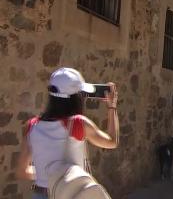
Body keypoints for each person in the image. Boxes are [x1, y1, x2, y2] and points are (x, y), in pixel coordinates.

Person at [15, 67, 119, 199]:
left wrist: (47, 174)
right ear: (75, 98)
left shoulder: (31, 126)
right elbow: (112, 142)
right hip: (69, 194)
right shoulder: (78, 123)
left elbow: (22, 171)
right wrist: (112, 107)